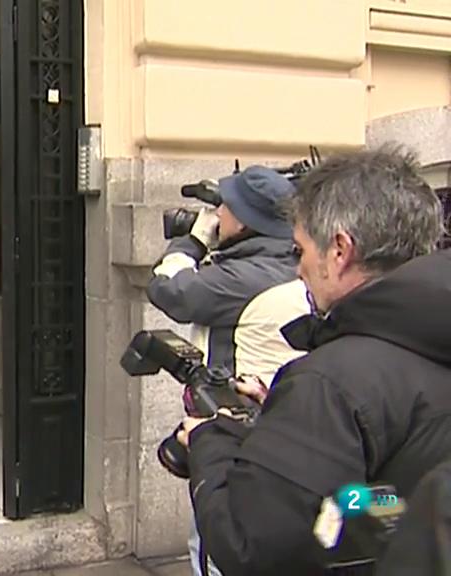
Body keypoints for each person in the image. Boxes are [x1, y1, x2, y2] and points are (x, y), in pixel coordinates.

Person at [177, 144, 451, 576]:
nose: (298, 269)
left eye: (300, 251)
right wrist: (285, 423)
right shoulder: (427, 342)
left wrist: (209, 441)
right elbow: (387, 490)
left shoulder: (329, 383)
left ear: (339, 250)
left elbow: (250, 546)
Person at [147, 166, 312, 575]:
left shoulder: (244, 278)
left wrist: (193, 240)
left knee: (214, 543)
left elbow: (168, 289)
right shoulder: (292, 261)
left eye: (225, 207)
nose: (217, 213)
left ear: (247, 220)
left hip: (235, 436)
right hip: (282, 433)